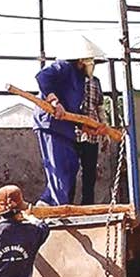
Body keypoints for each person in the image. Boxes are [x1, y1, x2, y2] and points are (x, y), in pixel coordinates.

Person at [34, 35, 107, 206]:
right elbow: (42, 77)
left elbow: (73, 111)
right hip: (51, 124)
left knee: (70, 166)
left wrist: (87, 127)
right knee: (59, 169)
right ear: (83, 60)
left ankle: (47, 203)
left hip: (66, 128)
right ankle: (55, 207)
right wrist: (54, 101)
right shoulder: (64, 66)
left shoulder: (81, 80)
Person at [75, 66, 109, 205]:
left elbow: (100, 107)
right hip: (74, 133)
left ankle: (87, 206)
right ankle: (66, 205)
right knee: (70, 171)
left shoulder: (96, 82)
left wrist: (105, 132)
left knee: (90, 173)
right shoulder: (74, 81)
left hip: (93, 135)